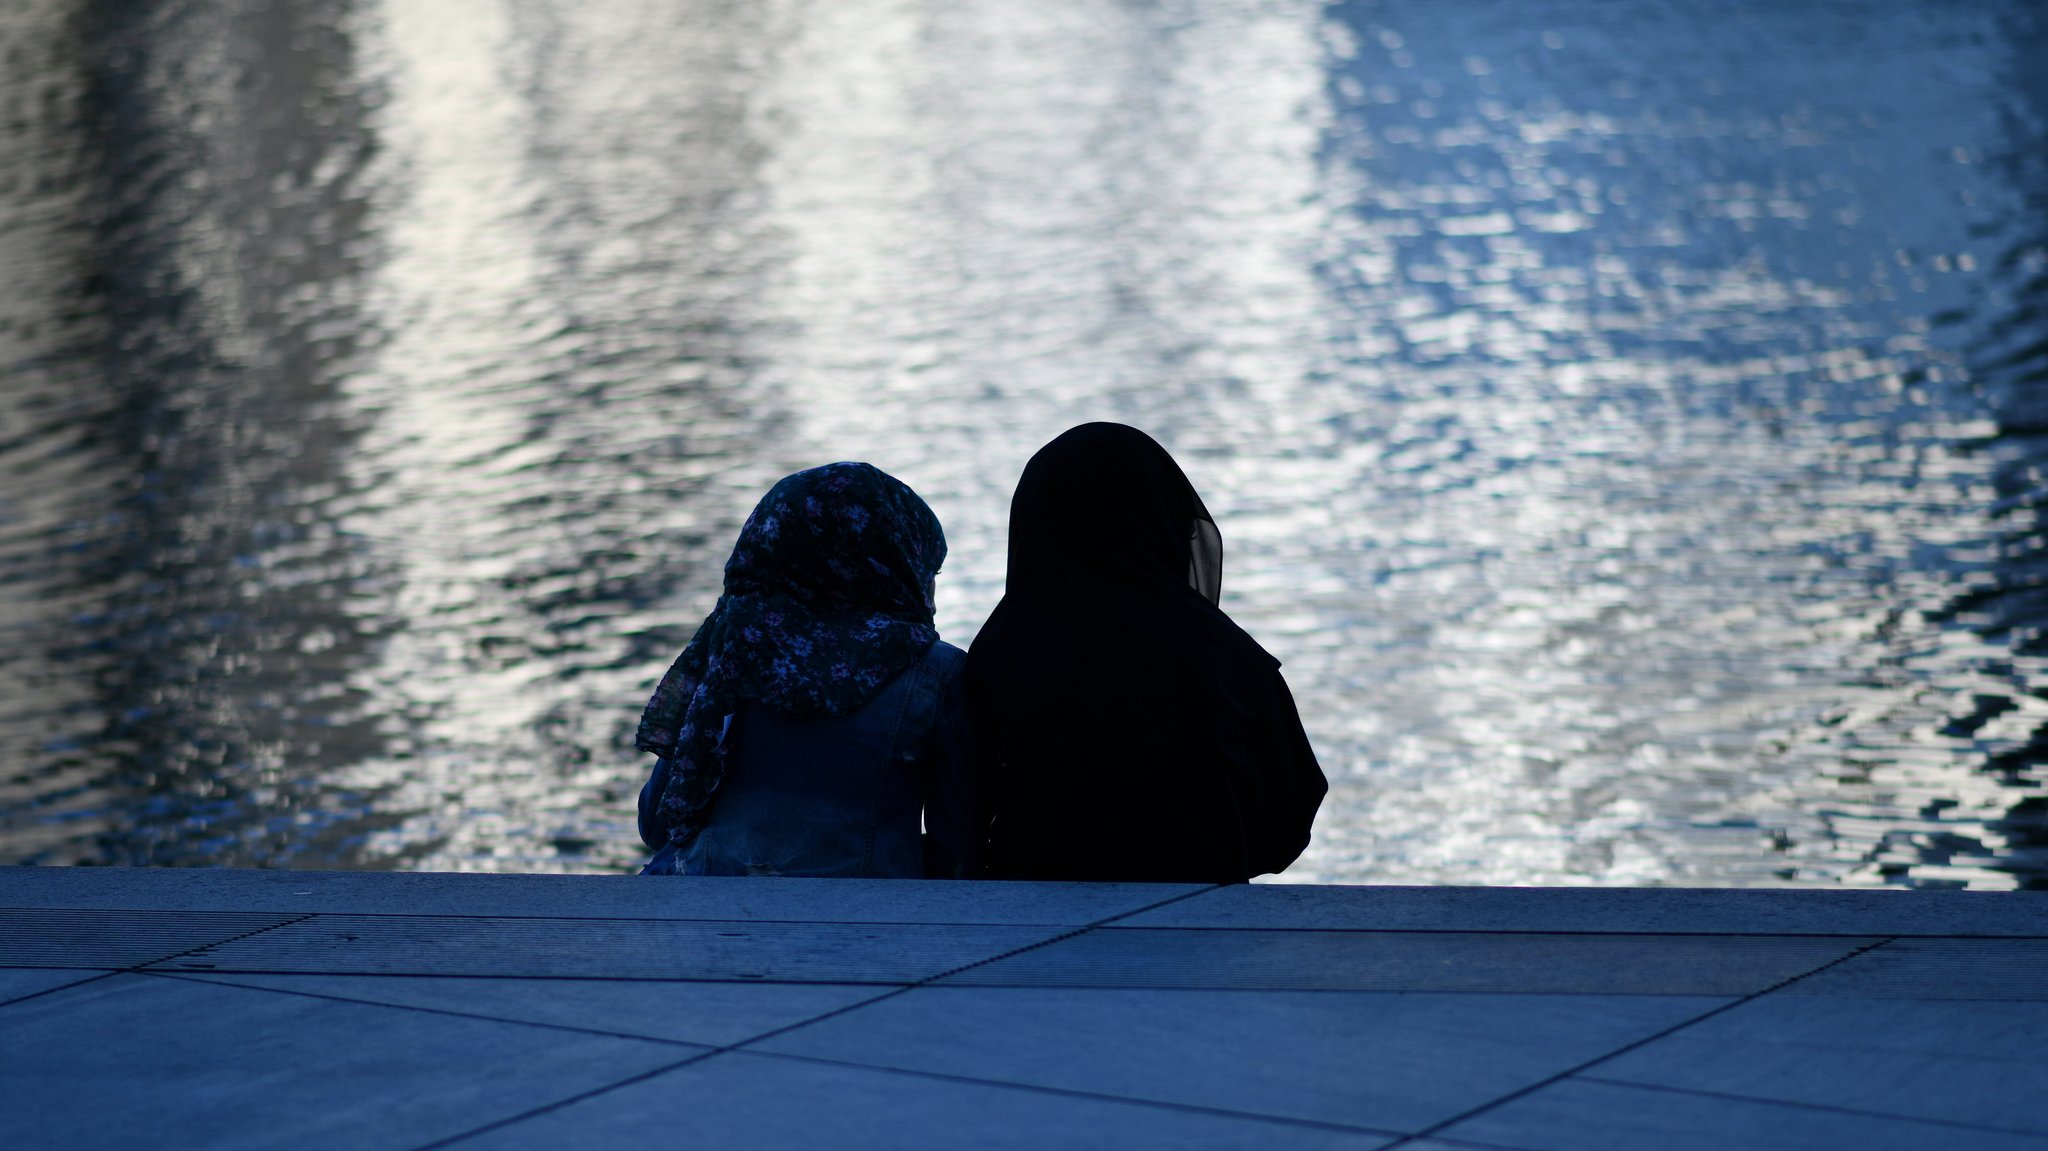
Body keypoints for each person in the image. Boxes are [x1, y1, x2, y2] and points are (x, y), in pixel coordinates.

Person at [966, 423, 1326, 883]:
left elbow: (962, 817)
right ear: (1161, 519)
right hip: (1198, 932)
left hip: (1028, 935)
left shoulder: (997, 658)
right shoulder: (1226, 660)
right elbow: (1287, 823)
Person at [634, 462, 976, 878]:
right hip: (870, 926)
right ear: (891, 565)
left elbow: (656, 823)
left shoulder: (730, 651)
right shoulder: (939, 674)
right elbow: (959, 847)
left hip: (710, 919)